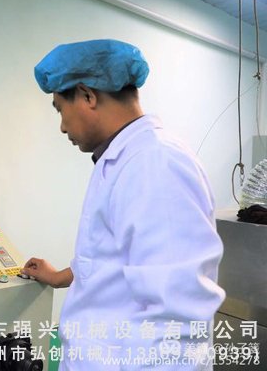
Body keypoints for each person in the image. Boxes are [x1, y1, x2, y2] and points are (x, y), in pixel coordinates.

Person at [21, 39, 225, 370]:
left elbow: (176, 321)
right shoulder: (121, 160)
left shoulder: (155, 163)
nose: (62, 126)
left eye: (59, 109)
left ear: (87, 95)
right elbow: (118, 258)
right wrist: (59, 276)